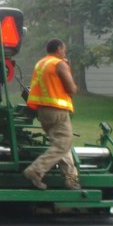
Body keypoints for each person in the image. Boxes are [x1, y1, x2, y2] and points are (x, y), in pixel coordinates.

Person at [23, 38, 80, 190]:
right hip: (57, 111)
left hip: (43, 112)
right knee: (62, 144)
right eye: (64, 49)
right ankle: (35, 171)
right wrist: (68, 69)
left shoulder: (41, 63)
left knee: (62, 144)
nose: (65, 52)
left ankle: (70, 179)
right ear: (59, 48)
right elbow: (71, 88)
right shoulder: (59, 64)